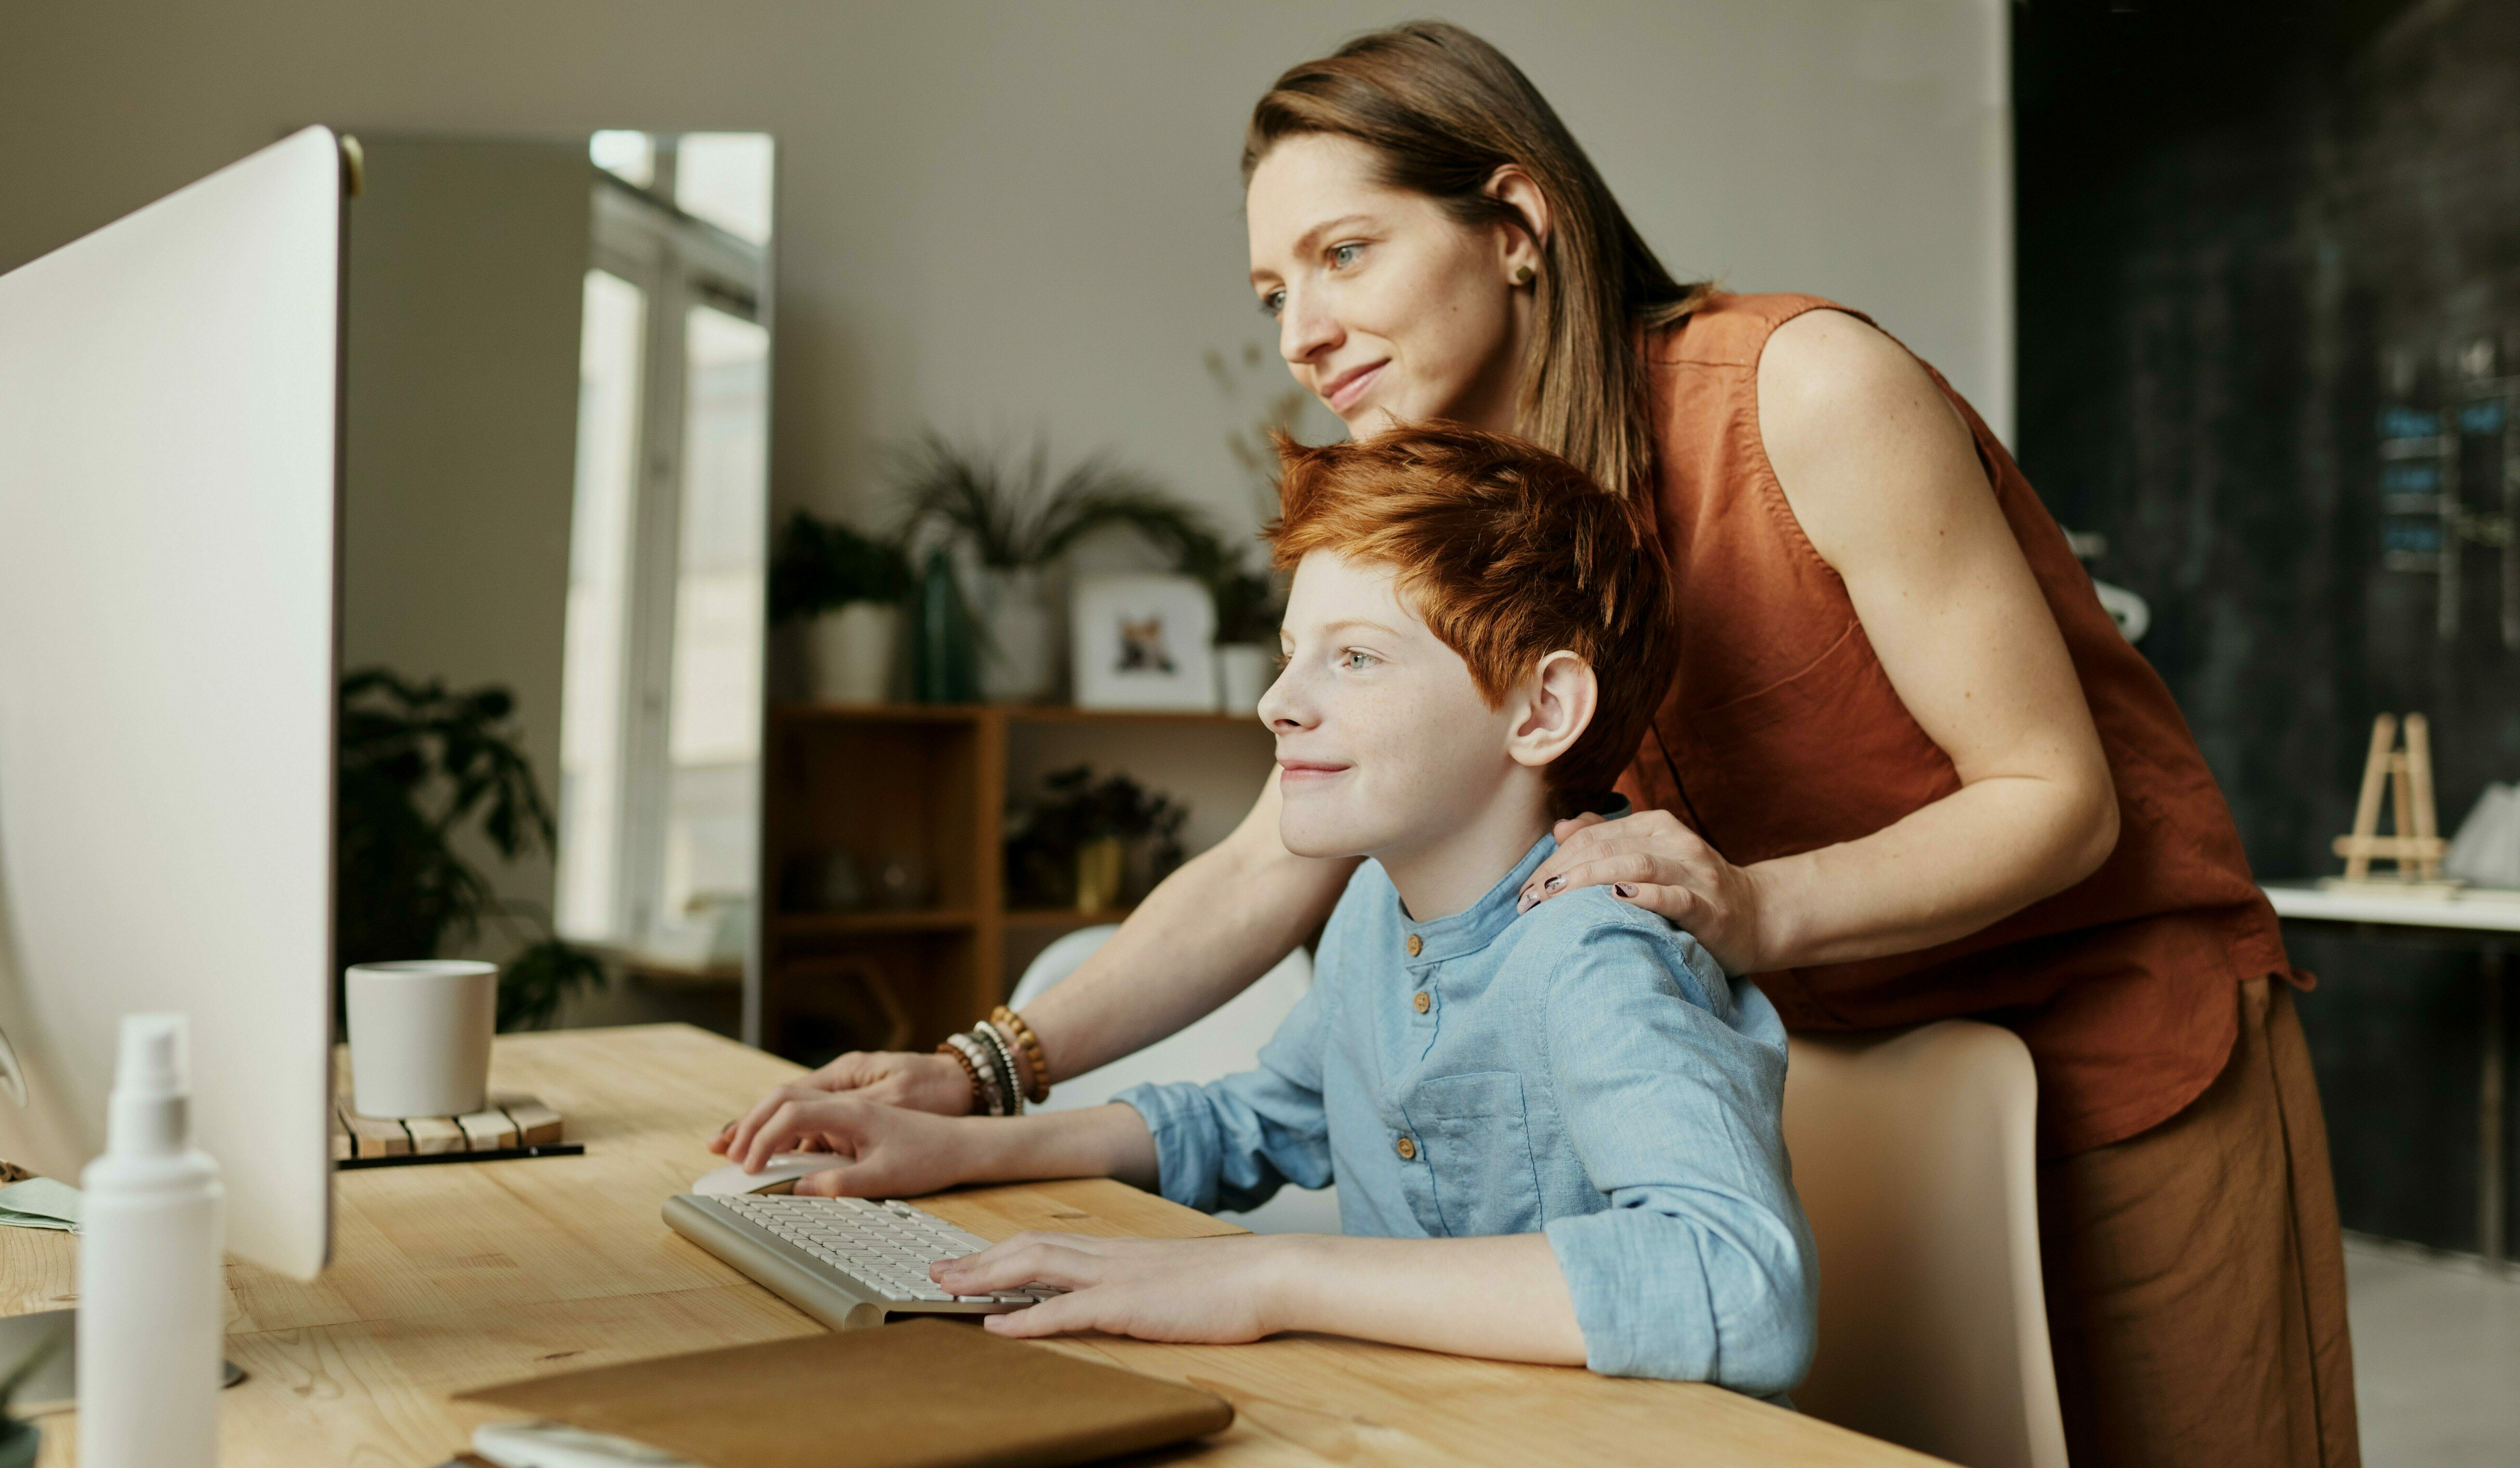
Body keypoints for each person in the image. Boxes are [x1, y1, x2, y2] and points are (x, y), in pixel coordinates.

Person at [725, 22, 2355, 1468]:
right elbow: (1271, 855)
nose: (1303, 328)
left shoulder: (1806, 391)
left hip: (2120, 1041)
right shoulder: (1491, 523)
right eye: (1276, 289)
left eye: (1345, 254)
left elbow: (2055, 801)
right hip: (1834, 1065)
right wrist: (982, 1071)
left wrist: (1749, 910)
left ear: (1515, 227)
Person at [719, 425, 1817, 1393]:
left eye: (1353, 658)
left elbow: (1737, 1280)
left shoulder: (1598, 952)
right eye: (1294, 653)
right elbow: (1266, 1120)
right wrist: (955, 1148)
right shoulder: (1372, 918)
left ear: (1540, 709)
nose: (1278, 703)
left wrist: (1267, 1275)